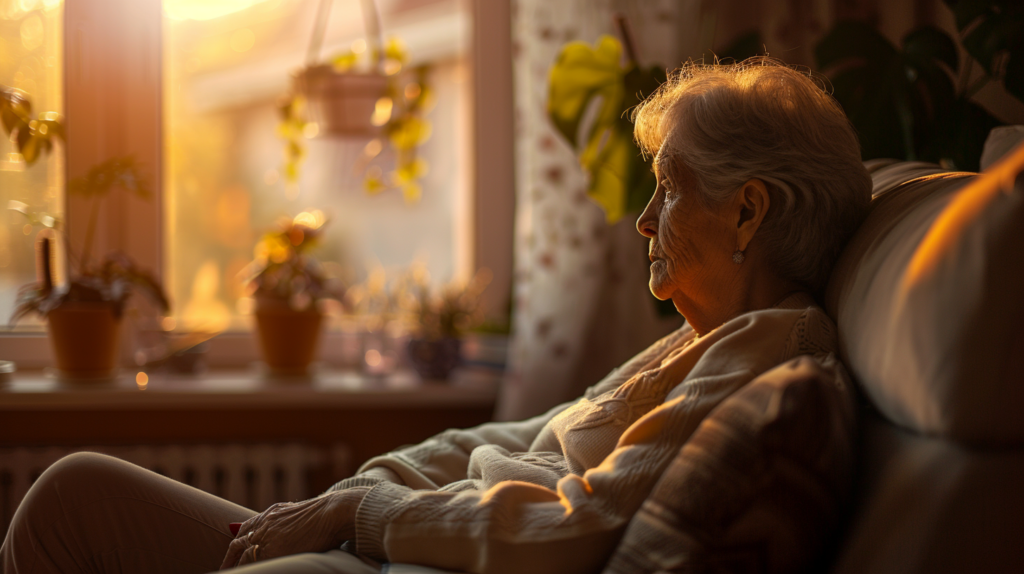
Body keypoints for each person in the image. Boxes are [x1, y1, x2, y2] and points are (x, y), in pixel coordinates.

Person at [0, 57, 871, 574]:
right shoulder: (700, 341)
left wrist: (357, 516)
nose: (643, 220)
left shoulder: (765, 359)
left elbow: (576, 526)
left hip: (411, 565)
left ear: (750, 213)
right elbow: (515, 438)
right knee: (73, 492)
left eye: (670, 188)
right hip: (389, 542)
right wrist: (347, 498)